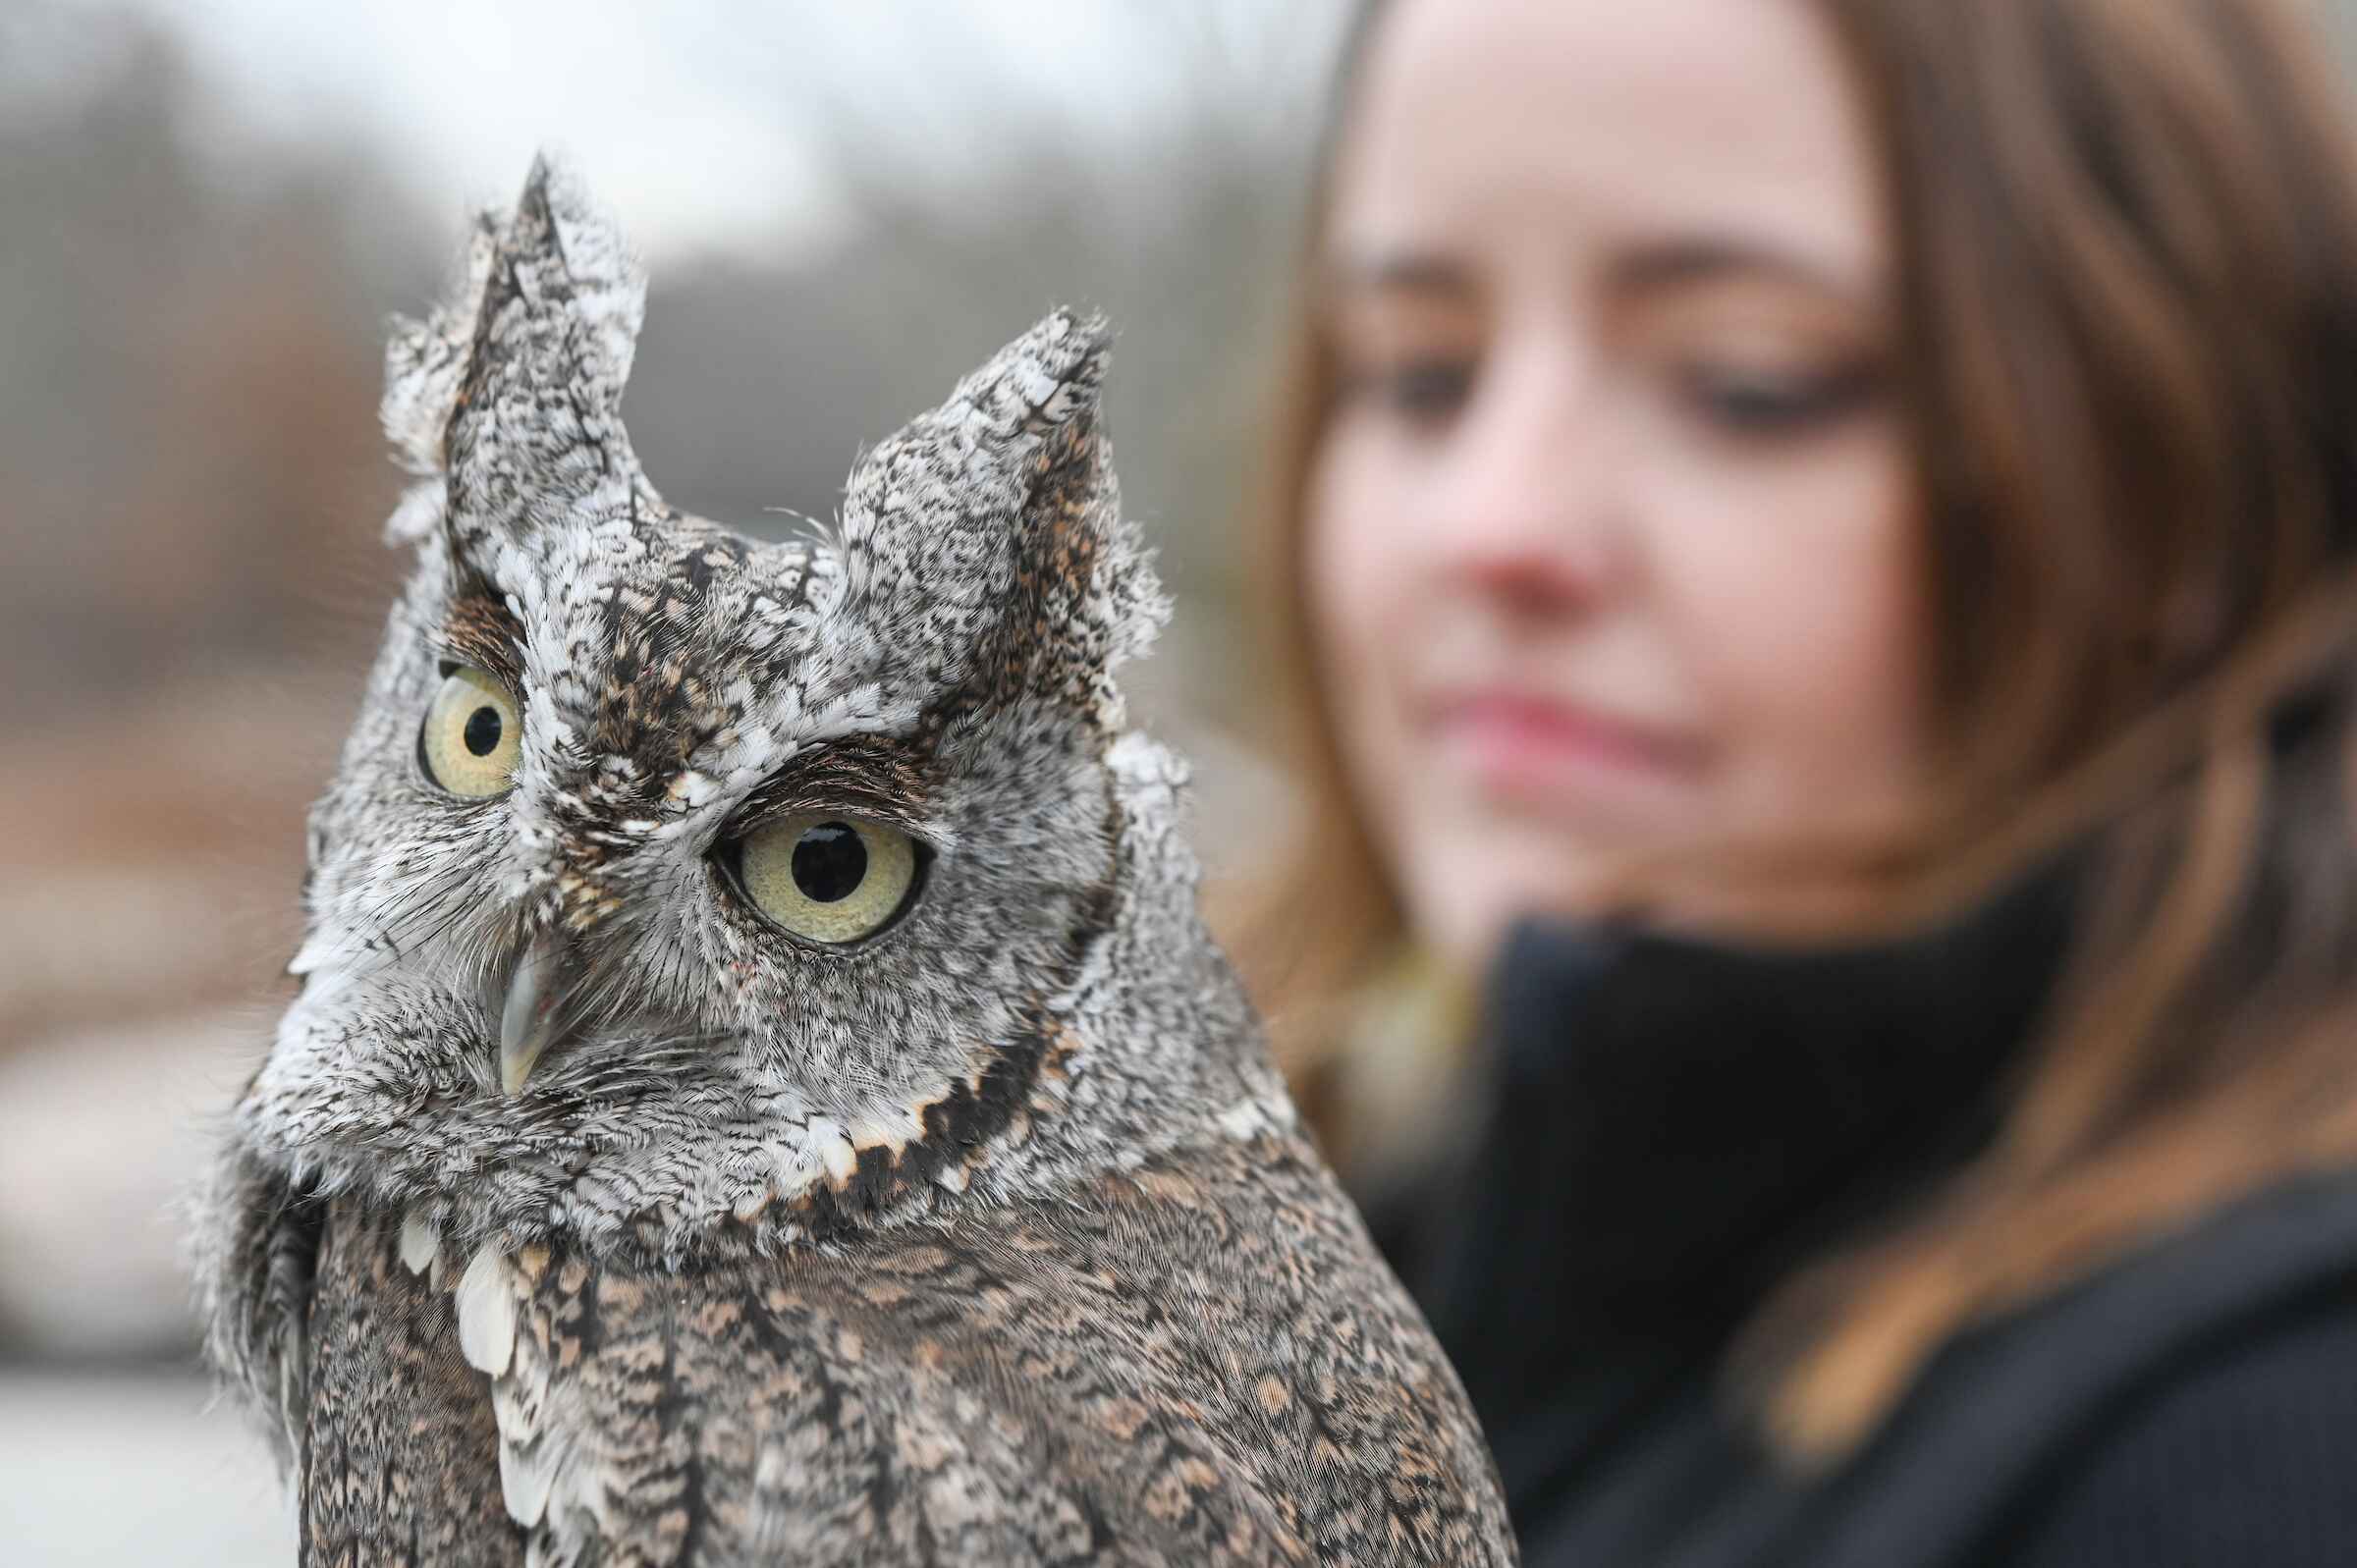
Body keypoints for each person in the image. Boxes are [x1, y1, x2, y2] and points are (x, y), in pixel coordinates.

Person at [1243, 0, 2357, 1562]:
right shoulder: (1306, 1272)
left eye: (1748, 382)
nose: (1490, 523)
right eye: (1421, 372)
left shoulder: (2262, 1438)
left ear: (2189, 483)